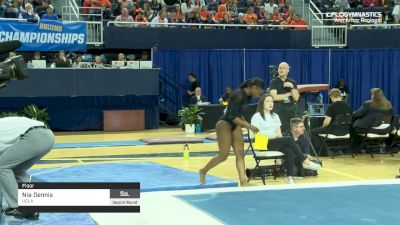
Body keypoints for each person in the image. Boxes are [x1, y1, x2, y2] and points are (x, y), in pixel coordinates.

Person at [199, 78, 265, 187]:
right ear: (254, 87)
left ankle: (243, 182)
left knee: (240, 154)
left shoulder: (246, 97)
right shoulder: (238, 95)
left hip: (235, 125)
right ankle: (203, 171)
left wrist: (245, 122)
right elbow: (232, 116)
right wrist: (249, 126)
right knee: (223, 155)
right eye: (259, 92)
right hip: (224, 124)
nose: (258, 95)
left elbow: (239, 113)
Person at [250, 94, 320, 184]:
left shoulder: (275, 116)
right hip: (261, 143)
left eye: (271, 101)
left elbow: (278, 134)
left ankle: (289, 177)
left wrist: (274, 137)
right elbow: (258, 135)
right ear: (262, 103)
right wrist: (272, 135)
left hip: (273, 142)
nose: (270, 103)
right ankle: (305, 160)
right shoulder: (256, 116)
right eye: (267, 101)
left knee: (289, 149)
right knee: (289, 139)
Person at [0, 117, 54, 220]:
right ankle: (31, 209)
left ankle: (18, 207)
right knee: (16, 170)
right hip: (47, 136)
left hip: (34, 136)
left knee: (2, 167)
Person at [351, 88, 396, 153]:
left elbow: (357, 114)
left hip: (370, 129)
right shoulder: (388, 104)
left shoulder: (368, 104)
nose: (371, 96)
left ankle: (357, 148)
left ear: (374, 96)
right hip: (385, 130)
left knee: (353, 127)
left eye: (371, 94)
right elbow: (394, 117)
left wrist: (351, 113)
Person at [311, 88, 352, 155]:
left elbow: (326, 123)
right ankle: (337, 150)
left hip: (334, 131)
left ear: (332, 96)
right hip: (345, 131)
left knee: (313, 131)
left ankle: (322, 152)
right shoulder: (348, 105)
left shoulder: (332, 106)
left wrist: (322, 127)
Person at [269, 62, 299, 134]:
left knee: (294, 131)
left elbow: (296, 98)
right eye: (280, 68)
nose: (281, 70)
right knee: (283, 133)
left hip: (291, 110)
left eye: (284, 68)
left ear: (288, 70)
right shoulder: (274, 82)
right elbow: (274, 97)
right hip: (280, 110)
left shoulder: (292, 82)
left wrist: (292, 87)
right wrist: (288, 94)